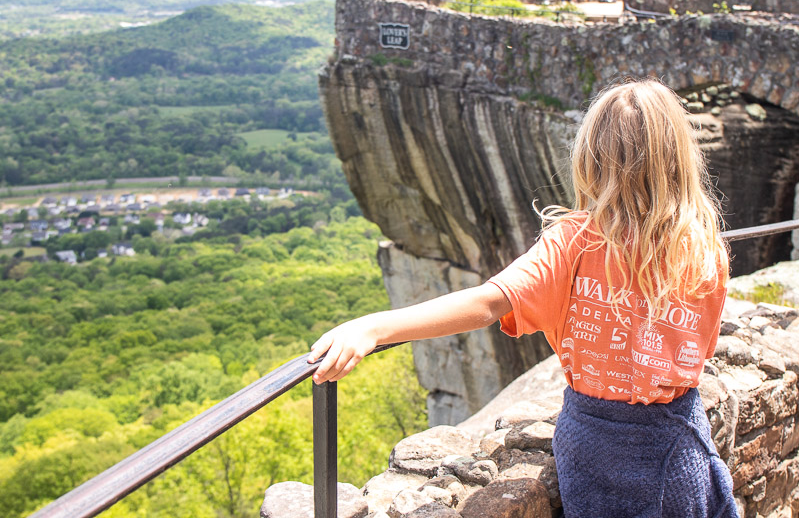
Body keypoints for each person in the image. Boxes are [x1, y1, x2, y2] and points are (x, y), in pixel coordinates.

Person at [309, 79, 738, 517]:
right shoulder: (704, 248)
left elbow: (487, 302)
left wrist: (374, 328)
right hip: (680, 448)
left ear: (591, 158)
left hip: (599, 450)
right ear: (679, 158)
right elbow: (699, 352)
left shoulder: (576, 241)